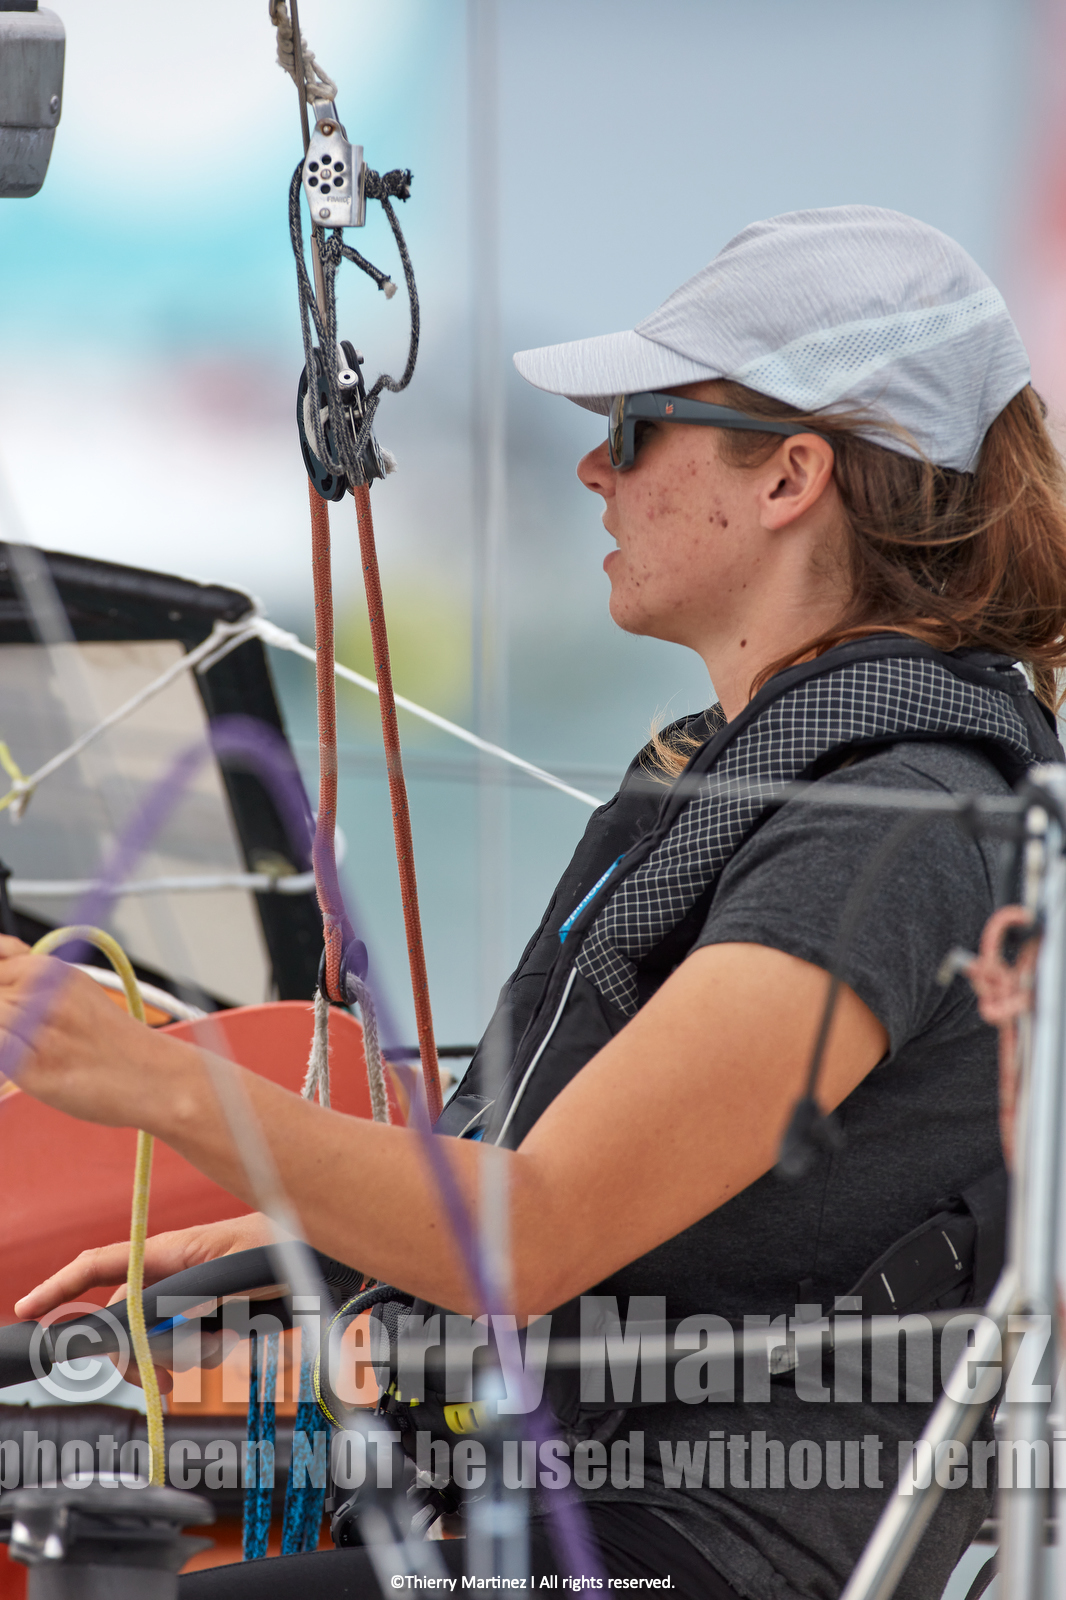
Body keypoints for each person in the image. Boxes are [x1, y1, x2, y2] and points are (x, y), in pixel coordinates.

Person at [4, 204, 1066, 1599]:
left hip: (688, 1550)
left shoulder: (890, 827)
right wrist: (321, 1233)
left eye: (635, 429)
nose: (591, 467)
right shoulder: (809, 782)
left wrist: (143, 1076)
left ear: (789, 475)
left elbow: (533, 1232)